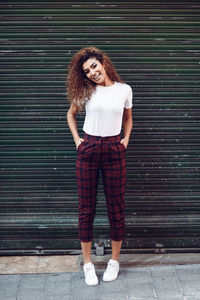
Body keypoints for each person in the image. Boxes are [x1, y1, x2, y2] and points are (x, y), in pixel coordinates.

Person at [66, 47, 133, 286]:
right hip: (89, 149)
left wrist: (125, 140)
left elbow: (128, 117)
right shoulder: (86, 91)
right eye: (87, 71)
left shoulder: (123, 90)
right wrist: (77, 141)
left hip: (115, 150)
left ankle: (114, 261)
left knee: (116, 208)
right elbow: (71, 114)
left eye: (94, 66)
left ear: (103, 63)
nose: (92, 73)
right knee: (86, 209)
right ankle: (88, 264)